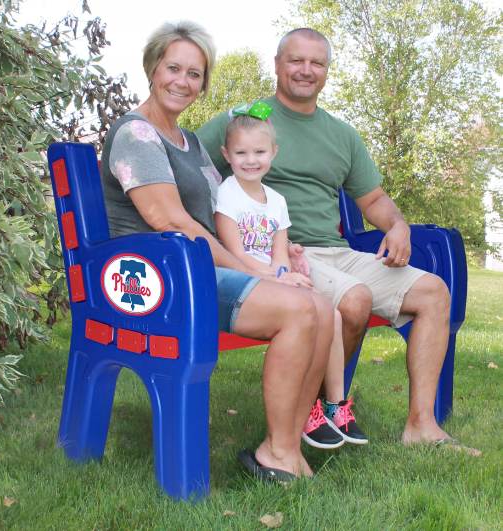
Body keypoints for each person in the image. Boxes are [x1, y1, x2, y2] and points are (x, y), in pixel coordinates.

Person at [197, 28, 480, 455]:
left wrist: (397, 225)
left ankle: (421, 424)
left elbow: (374, 199)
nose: (305, 70)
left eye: (317, 62)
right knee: (354, 300)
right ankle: (316, 408)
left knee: (434, 292)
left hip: (339, 251)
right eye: (296, 60)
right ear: (277, 64)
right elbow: (186, 162)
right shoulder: (246, 122)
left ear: (327, 71)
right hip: (285, 254)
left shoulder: (342, 134)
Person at [100, 20, 339, 481]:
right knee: (298, 310)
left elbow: (222, 214)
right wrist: (256, 274)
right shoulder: (136, 134)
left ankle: (285, 446)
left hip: (197, 267)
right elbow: (170, 221)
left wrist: (276, 253)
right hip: (157, 278)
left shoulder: (188, 142)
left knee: (323, 309)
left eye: (195, 74)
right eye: (173, 68)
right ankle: (279, 452)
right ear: (153, 69)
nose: (183, 81)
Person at [215, 108, 368, 448]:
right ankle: (307, 409)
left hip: (274, 277)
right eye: (241, 152)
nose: (250, 160)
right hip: (245, 277)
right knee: (311, 311)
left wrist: (286, 274)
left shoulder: (277, 201)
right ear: (226, 155)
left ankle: (334, 404)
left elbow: (280, 251)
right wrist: (277, 278)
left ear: (273, 153)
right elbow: (235, 253)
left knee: (332, 314)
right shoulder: (227, 193)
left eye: (259, 151)